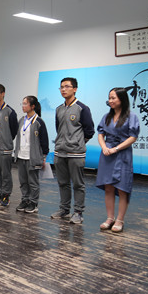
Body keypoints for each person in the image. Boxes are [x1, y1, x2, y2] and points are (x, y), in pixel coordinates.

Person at [51, 77, 95, 224]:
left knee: (78, 184)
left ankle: (78, 212)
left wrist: (78, 142)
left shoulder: (82, 108)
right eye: (61, 87)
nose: (63, 89)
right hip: (60, 152)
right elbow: (58, 129)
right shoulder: (59, 109)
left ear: (75, 89)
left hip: (76, 152)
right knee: (62, 183)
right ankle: (64, 209)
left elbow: (89, 131)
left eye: (67, 86)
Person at [96, 87, 140, 233]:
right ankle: (110, 218)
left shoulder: (131, 116)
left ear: (122, 99)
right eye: (109, 98)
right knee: (108, 187)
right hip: (107, 154)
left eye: (113, 98)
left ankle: (120, 220)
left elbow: (133, 137)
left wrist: (116, 148)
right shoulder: (106, 116)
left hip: (122, 154)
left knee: (122, 188)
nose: (110, 100)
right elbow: (100, 134)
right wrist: (104, 147)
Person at [13, 96, 49, 214]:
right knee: (23, 181)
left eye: (25, 104)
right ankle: (25, 200)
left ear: (32, 106)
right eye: (22, 104)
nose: (23, 106)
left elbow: (44, 141)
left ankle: (33, 203)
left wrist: (44, 157)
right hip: (21, 155)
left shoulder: (39, 122)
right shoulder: (21, 120)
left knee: (33, 182)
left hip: (33, 157)